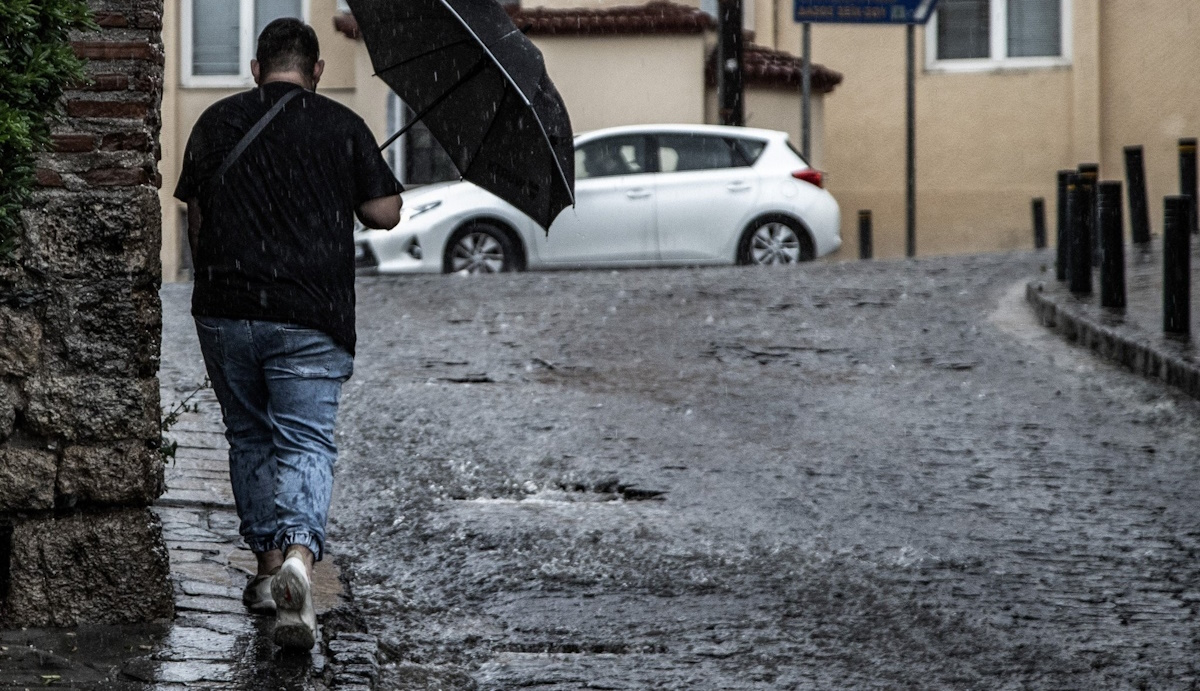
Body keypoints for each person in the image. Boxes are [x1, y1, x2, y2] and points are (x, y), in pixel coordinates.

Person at [174, 18, 402, 650]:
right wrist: (362, 177)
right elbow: (385, 212)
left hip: (227, 310)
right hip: (311, 315)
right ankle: (301, 559)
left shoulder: (217, 123)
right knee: (304, 440)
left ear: (255, 67)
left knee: (249, 436)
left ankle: (269, 569)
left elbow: (197, 217)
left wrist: (211, 291)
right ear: (317, 71)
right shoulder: (342, 127)